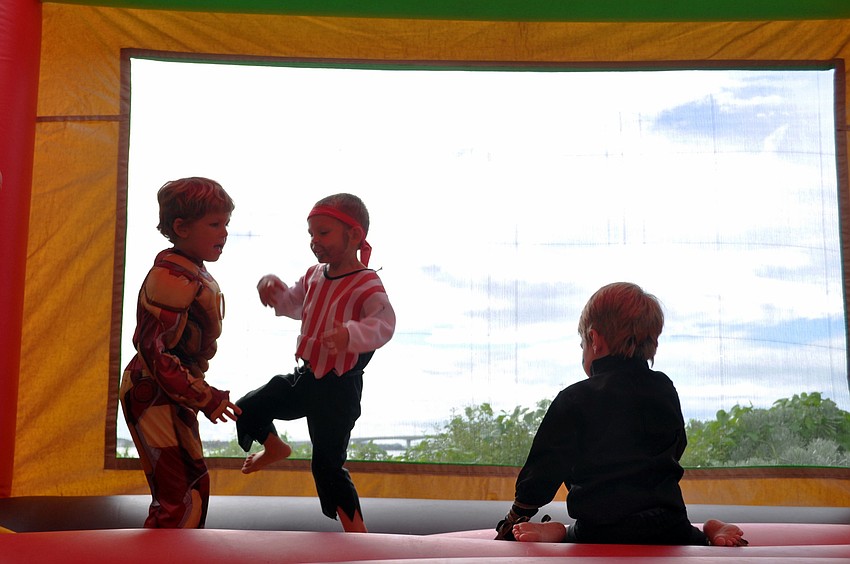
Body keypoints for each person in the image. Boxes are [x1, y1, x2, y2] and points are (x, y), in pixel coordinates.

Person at [495, 282, 747, 547]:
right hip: (669, 526)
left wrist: (517, 513)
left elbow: (544, 467)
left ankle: (558, 531)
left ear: (594, 340)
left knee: (576, 534)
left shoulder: (575, 398)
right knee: (690, 538)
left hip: (599, 529)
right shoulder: (664, 388)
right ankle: (709, 531)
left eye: (582, 344)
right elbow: (677, 445)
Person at [235, 192, 396, 533]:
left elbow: (384, 323)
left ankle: (357, 532)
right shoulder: (314, 275)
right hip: (306, 378)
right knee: (249, 406)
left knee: (327, 465)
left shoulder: (366, 282)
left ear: (354, 235)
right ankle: (274, 447)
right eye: (311, 234)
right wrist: (272, 288)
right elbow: (293, 304)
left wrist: (351, 334)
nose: (315, 241)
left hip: (339, 388)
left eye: (323, 233)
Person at [120, 177, 241, 528]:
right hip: (154, 390)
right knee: (179, 500)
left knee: (194, 489)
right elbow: (152, 349)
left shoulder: (192, 270)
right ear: (181, 228)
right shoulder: (172, 276)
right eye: (215, 224)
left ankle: (178, 551)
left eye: (226, 224)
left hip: (173, 391)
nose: (224, 233)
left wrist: (197, 393)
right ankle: (161, 553)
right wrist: (203, 395)